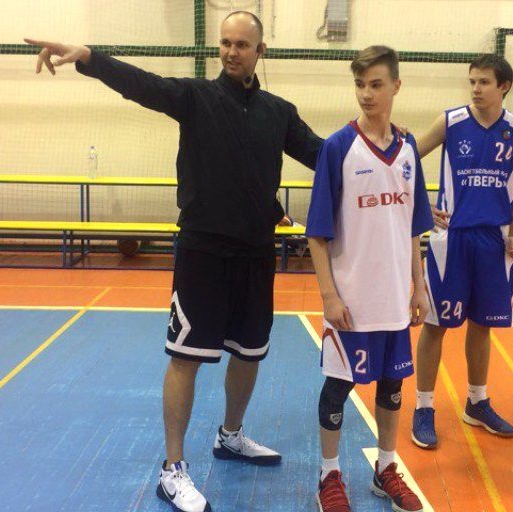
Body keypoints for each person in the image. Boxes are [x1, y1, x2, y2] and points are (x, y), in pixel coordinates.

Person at [26, 11, 323, 512]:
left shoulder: (279, 112)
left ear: (260, 51)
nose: (231, 52)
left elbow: (324, 155)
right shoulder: (195, 97)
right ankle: (172, 469)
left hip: (255, 253)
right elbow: (142, 84)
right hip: (203, 252)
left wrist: (380, 143)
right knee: (185, 357)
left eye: (242, 44)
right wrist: (90, 58)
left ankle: (230, 436)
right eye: (225, 43)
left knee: (249, 352)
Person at [305, 45, 433, 512]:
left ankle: (386, 468)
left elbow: (414, 227)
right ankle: (329, 475)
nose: (366, 93)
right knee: (337, 389)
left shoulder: (409, 150)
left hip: (394, 300)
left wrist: (419, 286)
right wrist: (329, 295)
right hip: (351, 302)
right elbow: (317, 233)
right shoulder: (338, 147)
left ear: (396, 86)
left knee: (392, 388)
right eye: (360, 84)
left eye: (376, 84)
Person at [410, 54, 513, 449]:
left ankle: (477, 403)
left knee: (483, 324)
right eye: (472, 82)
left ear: (503, 86)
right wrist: (422, 207)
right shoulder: (451, 121)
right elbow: (406, 159)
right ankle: (423, 407)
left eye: (484, 82)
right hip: (453, 239)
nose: (476, 89)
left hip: (494, 242)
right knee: (435, 324)